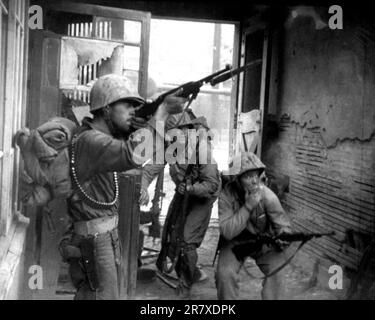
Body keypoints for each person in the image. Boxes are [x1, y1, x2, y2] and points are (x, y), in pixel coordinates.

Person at [59, 74, 186, 300]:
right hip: (94, 241)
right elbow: (132, 155)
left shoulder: (103, 137)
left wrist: (140, 126)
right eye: (126, 105)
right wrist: (162, 112)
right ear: (106, 109)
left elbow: (132, 149)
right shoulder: (90, 140)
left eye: (135, 107)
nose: (132, 111)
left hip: (104, 236)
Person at [140, 113, 220, 293]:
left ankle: (185, 284)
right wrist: (143, 188)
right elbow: (149, 170)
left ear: (188, 130)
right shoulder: (170, 148)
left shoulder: (202, 149)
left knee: (187, 240)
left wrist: (192, 189)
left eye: (180, 132)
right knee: (170, 231)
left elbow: (211, 184)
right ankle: (177, 267)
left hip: (202, 197)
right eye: (171, 133)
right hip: (182, 193)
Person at [215, 151, 293, 300]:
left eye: (256, 175)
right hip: (235, 242)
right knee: (224, 274)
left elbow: (283, 225)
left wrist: (283, 237)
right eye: (247, 176)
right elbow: (227, 231)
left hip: (262, 241)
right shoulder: (226, 196)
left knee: (278, 271)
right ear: (237, 180)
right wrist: (248, 206)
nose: (253, 181)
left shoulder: (268, 196)